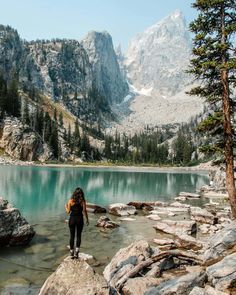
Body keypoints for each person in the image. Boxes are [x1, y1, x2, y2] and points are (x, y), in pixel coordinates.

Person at [65, 187, 89, 259]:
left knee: (72, 236)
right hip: (80, 219)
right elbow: (84, 211)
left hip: (72, 220)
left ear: (74, 193)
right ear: (81, 194)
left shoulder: (70, 201)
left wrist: (66, 207)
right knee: (78, 236)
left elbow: (68, 212)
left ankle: (72, 252)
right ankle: (77, 252)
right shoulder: (82, 201)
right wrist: (87, 219)